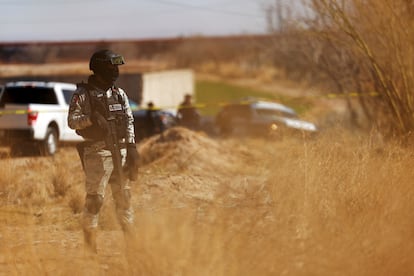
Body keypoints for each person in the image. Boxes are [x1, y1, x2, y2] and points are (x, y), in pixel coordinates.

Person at [67, 49, 139, 253]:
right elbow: (72, 122)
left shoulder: (119, 93)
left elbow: (129, 120)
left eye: (116, 67)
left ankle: (132, 248)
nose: (115, 71)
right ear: (98, 68)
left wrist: (132, 147)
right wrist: (92, 119)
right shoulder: (83, 94)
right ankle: (90, 249)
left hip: (121, 152)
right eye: (111, 67)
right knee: (95, 201)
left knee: (124, 199)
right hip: (97, 154)